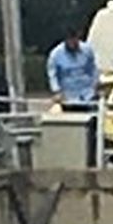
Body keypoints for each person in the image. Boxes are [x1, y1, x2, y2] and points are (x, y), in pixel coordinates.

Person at [47, 26, 99, 157]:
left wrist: (94, 87)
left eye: (75, 40)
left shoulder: (87, 50)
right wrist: (57, 91)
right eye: (71, 41)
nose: (73, 43)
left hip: (87, 95)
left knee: (92, 128)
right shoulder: (56, 55)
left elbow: (93, 69)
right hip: (68, 97)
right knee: (73, 127)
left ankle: (92, 154)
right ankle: (74, 154)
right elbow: (52, 74)